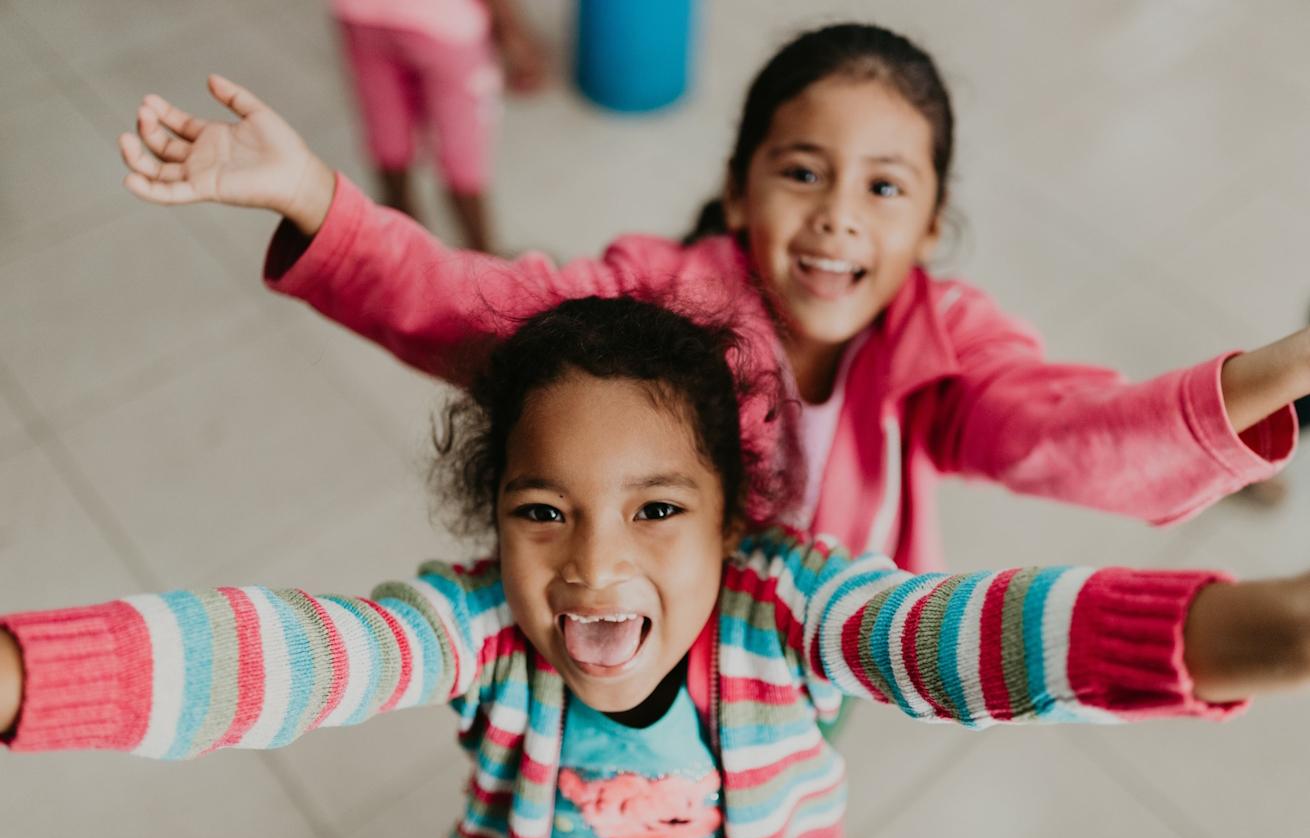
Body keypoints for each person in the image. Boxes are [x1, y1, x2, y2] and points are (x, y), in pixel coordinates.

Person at [2, 297, 1308, 838]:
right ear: (490, 522)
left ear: (736, 521)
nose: (592, 566)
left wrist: (1264, 626)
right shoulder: (473, 625)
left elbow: (955, 636)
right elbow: (287, 656)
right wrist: (26, 675)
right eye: (541, 512)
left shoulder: (785, 600)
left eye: (657, 511)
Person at [116, 23, 1307, 575]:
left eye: (884, 187)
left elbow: (1070, 432)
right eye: (802, 172)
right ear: (737, 194)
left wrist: (1285, 365)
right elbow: (475, 309)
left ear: (929, 228)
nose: (840, 214)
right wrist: (317, 198)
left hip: (815, 649)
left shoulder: (948, 349)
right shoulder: (657, 299)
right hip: (647, 632)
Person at [331, 0, 547, 250]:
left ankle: (402, 249)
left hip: (360, 16)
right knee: (462, 150)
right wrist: (513, 34)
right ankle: (483, 257)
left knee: (386, 131)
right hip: (445, 26)